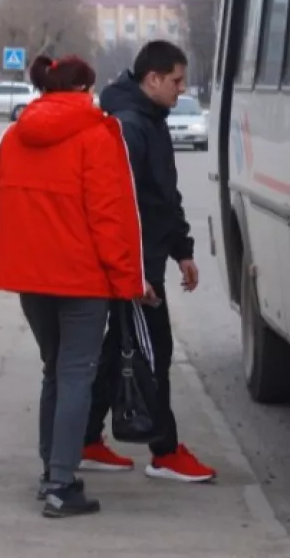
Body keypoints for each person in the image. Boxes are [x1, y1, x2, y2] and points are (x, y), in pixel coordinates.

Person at [0, 54, 149, 518]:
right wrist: (127, 282)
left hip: (29, 277)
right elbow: (109, 217)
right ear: (81, 91)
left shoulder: (15, 134)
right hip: (81, 278)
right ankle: (60, 482)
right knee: (77, 372)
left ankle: (49, 473)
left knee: (55, 368)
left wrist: (33, 230)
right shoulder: (98, 137)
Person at [81, 41, 217, 483]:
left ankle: (84, 439)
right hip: (133, 270)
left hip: (145, 263)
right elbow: (124, 209)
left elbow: (163, 197)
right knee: (152, 353)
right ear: (152, 79)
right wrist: (136, 274)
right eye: (176, 81)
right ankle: (165, 451)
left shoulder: (151, 121)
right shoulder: (128, 127)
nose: (181, 89)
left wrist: (183, 250)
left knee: (117, 351)